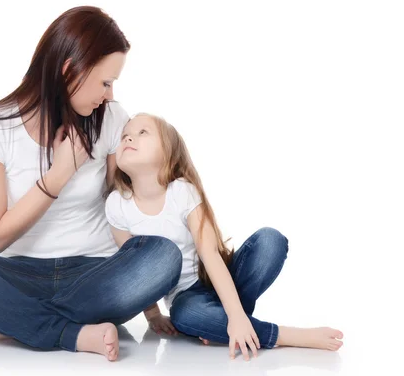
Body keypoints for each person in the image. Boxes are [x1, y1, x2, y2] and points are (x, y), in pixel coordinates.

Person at [0, 6, 183, 362]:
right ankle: (67, 332)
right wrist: (58, 174)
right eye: (105, 82)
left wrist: (152, 308)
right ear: (69, 70)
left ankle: (11, 322)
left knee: (164, 256)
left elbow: (120, 211)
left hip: (96, 274)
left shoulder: (110, 118)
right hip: (16, 275)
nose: (109, 95)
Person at [104, 113, 345, 361]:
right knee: (185, 315)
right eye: (124, 136)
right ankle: (282, 335)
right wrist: (153, 315)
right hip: (187, 297)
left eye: (143, 132)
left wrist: (237, 316)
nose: (129, 137)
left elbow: (209, 253)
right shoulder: (117, 206)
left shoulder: (182, 191)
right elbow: (135, 271)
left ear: (168, 150)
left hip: (218, 275)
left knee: (270, 241)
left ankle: (227, 322)